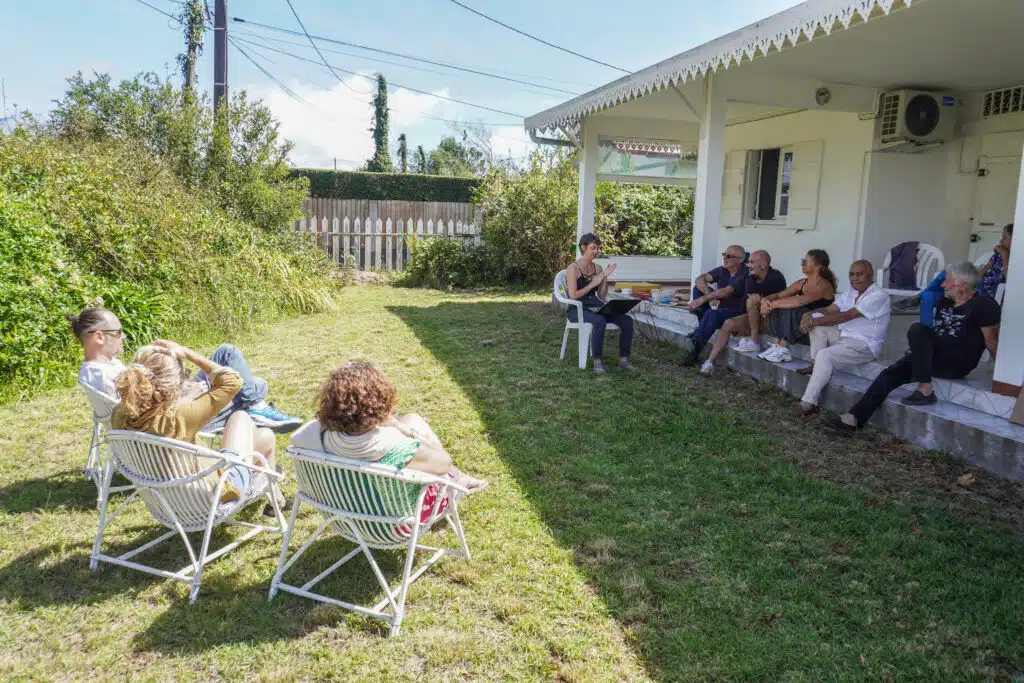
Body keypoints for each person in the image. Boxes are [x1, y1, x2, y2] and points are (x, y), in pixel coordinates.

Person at [290, 362, 486, 517]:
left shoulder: (321, 438)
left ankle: (463, 477)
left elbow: (308, 430)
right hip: (397, 524)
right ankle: (462, 479)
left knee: (413, 419)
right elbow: (444, 463)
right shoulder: (395, 448)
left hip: (346, 517)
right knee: (425, 440)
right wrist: (400, 428)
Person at [111, 339, 286, 511]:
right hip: (213, 498)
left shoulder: (120, 415)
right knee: (241, 416)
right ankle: (274, 501)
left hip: (164, 502)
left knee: (265, 437)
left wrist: (184, 400)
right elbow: (233, 381)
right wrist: (186, 353)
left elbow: (157, 414)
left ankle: (276, 500)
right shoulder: (180, 416)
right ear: (173, 384)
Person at [827, 262, 1000, 432]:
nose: (943, 284)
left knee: (918, 329)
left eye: (947, 280)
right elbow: (935, 335)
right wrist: (918, 352)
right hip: (934, 359)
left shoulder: (984, 305)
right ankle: (854, 418)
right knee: (890, 373)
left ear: (962, 285)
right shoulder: (946, 302)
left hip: (957, 363)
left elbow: (991, 341)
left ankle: (925, 389)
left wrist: (999, 378)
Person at [69, 306, 301, 432]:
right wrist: (190, 394)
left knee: (251, 380)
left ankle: (255, 405)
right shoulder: (105, 375)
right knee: (244, 373)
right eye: (118, 333)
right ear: (99, 337)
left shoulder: (98, 370)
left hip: (170, 403)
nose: (123, 337)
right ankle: (255, 408)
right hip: (179, 416)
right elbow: (152, 412)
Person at [794, 260, 891, 416]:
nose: (855, 278)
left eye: (860, 274)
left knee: (824, 355)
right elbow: (829, 309)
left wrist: (813, 321)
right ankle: (815, 365)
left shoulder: (879, 296)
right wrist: (809, 314)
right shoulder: (850, 293)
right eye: (851, 274)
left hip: (864, 345)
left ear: (871, 275)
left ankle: (808, 403)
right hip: (843, 337)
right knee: (818, 321)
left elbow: (846, 316)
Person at [700, 250, 787, 374]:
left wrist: (761, 299)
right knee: (728, 323)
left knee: (752, 300)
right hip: (755, 318)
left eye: (751, 262)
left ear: (763, 265)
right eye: (748, 262)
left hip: (772, 320)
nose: (748, 265)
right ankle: (709, 362)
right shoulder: (750, 278)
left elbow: (762, 299)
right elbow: (752, 296)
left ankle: (754, 341)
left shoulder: (776, 277)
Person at [564, 233, 635, 374]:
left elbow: (602, 295)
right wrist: (592, 284)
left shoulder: (598, 268)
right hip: (577, 309)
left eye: (598, 248)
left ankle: (623, 360)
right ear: (584, 248)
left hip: (595, 306)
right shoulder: (573, 268)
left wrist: (604, 278)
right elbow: (573, 296)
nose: (596, 251)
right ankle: (597, 362)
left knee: (627, 320)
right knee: (599, 320)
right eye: (593, 248)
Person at [914, 223, 1011, 325]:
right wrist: (967, 275)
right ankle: (927, 331)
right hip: (973, 286)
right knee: (928, 295)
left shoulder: (1016, 259)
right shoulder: (998, 254)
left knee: (945, 274)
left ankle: (916, 298)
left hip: (986, 293)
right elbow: (982, 273)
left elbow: (1011, 280)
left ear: (1013, 239)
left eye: (1004, 238)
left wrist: (1005, 255)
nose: (1000, 241)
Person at [757, 249, 837, 363]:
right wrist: (766, 300)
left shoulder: (823, 285)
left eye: (805, 262)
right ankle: (776, 346)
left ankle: (784, 348)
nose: (802, 264)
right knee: (778, 307)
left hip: (813, 329)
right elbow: (779, 295)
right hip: (799, 328)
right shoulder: (802, 282)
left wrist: (772, 305)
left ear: (817, 266)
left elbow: (800, 301)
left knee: (791, 308)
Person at [680, 244, 749, 367]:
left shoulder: (743, 273)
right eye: (724, 255)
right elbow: (700, 278)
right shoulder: (723, 270)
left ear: (739, 260)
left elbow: (726, 291)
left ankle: (695, 353)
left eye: (729, 256)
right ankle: (702, 323)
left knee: (711, 313)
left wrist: (703, 299)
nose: (725, 258)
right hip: (719, 306)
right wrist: (709, 295)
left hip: (735, 311)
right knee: (698, 288)